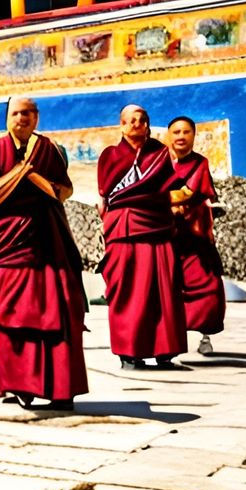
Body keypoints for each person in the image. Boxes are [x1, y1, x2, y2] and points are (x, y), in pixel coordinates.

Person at [0, 96, 87, 410]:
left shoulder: (48, 149)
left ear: (36, 117)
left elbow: (64, 191)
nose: (21, 119)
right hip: (11, 239)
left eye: (27, 113)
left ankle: (60, 388)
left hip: (49, 237)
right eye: (15, 113)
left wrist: (35, 178)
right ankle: (15, 383)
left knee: (59, 309)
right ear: (6, 118)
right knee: (13, 313)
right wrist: (20, 173)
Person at [96, 105, 185, 370]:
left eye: (142, 120)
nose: (137, 124)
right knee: (128, 291)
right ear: (121, 126)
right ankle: (129, 350)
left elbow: (168, 186)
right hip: (124, 227)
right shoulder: (110, 155)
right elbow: (106, 193)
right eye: (131, 120)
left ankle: (164, 350)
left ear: (148, 125)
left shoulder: (159, 153)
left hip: (157, 225)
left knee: (163, 288)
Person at [166, 116, 225, 355]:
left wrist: (164, 200)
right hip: (168, 234)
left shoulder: (200, 163)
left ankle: (205, 336)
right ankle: (172, 336)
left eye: (186, 132)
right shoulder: (161, 165)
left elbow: (191, 192)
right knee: (170, 287)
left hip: (195, 233)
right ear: (169, 136)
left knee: (207, 285)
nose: (181, 136)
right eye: (176, 132)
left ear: (193, 135)